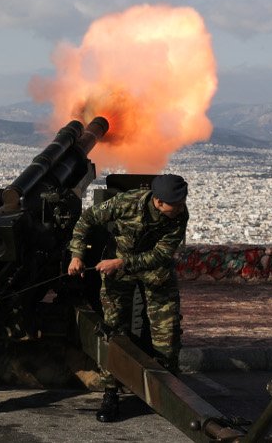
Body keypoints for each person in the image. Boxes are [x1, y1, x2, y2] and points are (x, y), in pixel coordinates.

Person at [67, 173, 189, 422]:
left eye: (181, 202)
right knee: (113, 331)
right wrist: (77, 255)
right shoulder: (127, 202)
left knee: (168, 335)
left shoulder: (179, 215)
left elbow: (161, 255)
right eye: (174, 204)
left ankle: (166, 394)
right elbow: (87, 219)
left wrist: (122, 262)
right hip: (118, 270)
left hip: (153, 272)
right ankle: (111, 393)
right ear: (157, 201)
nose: (179, 208)